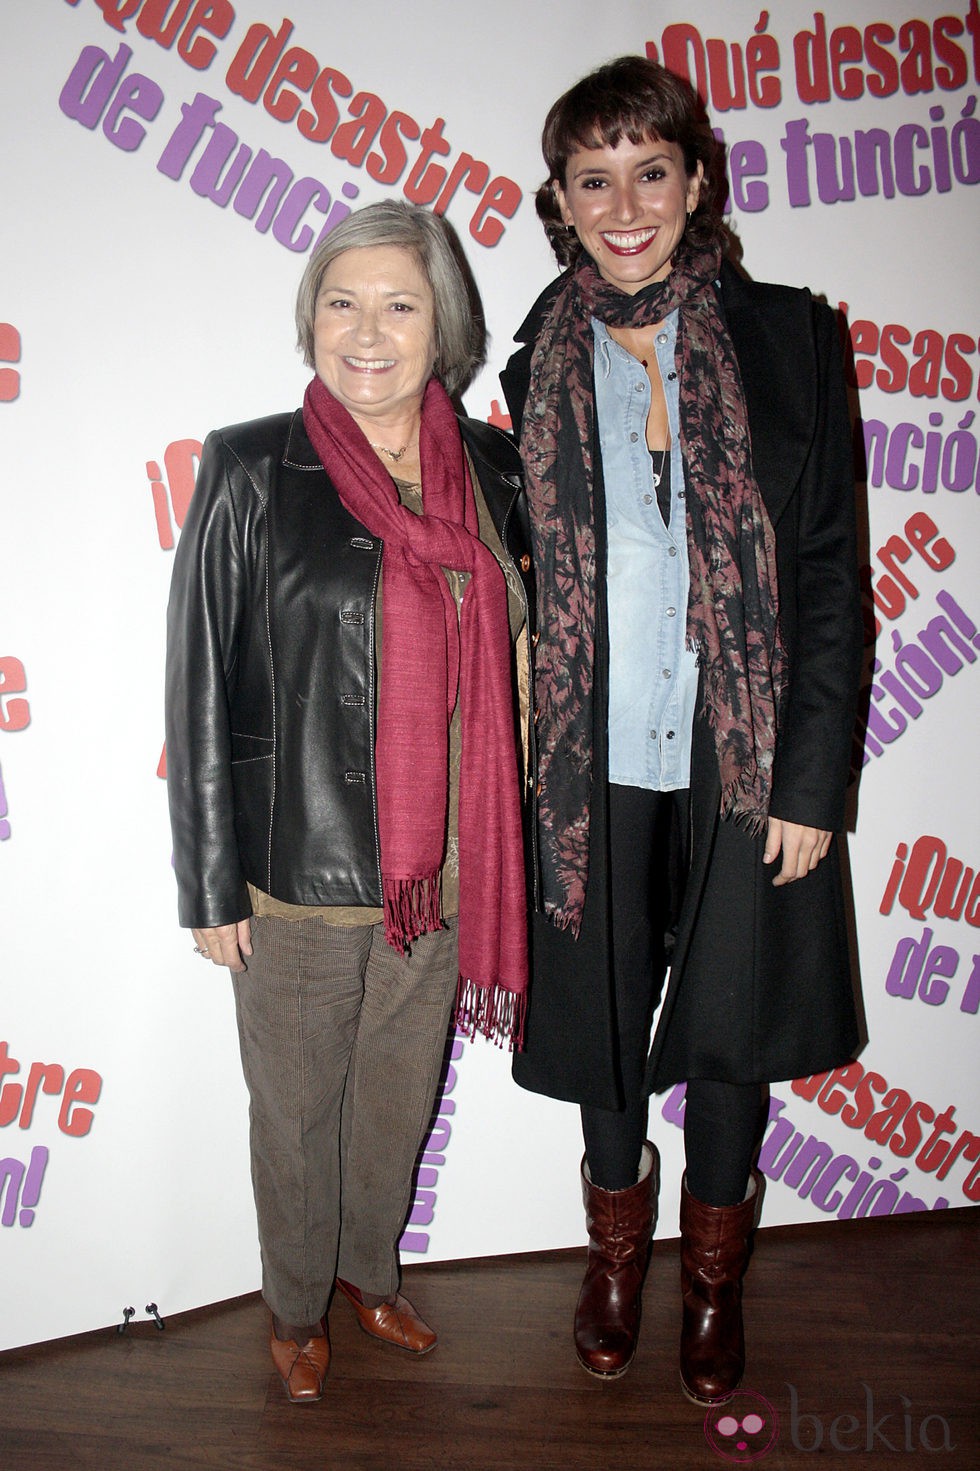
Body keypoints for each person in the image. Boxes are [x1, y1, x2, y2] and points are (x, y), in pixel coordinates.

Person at [501, 56, 862, 1405]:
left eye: (649, 170)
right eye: (594, 178)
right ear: (563, 201)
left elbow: (827, 569)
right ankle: (616, 1257)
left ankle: (712, 1280)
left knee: (727, 1025)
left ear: (695, 180)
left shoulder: (790, 339)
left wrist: (810, 777)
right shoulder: (539, 351)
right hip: (588, 757)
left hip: (743, 754)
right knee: (599, 1023)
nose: (625, 202)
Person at [166, 200, 531, 1404]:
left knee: (394, 1094)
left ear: (443, 328)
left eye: (398, 302)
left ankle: (370, 1273)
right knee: (295, 1105)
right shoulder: (250, 462)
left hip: (448, 866)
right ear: (310, 317)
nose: (366, 329)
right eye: (342, 299)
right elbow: (199, 679)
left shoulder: (490, 468)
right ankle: (292, 1301)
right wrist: (209, 879)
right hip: (302, 861)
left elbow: (527, 653)